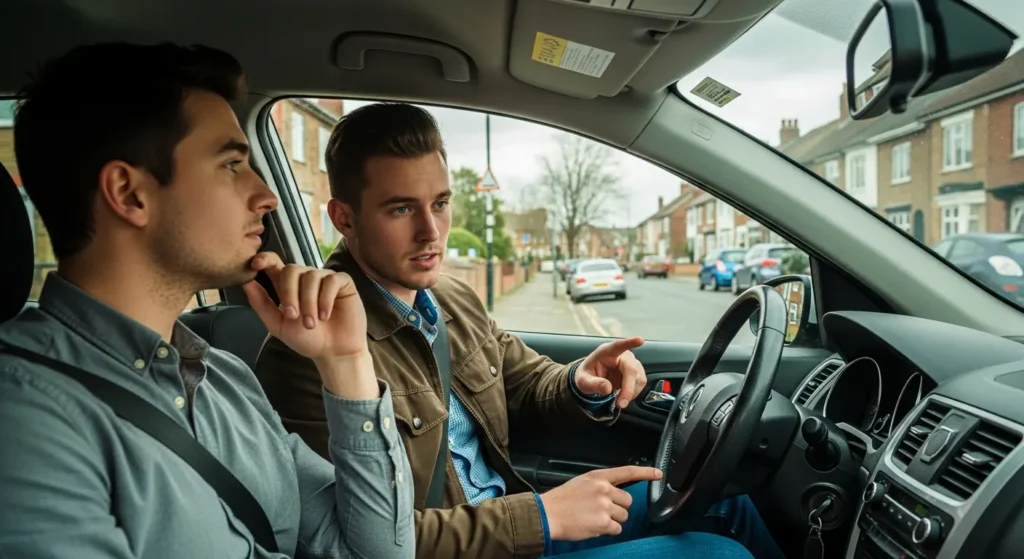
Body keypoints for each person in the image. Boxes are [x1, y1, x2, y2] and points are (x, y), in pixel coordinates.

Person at [255, 102, 786, 559]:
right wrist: (542, 516)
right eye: (401, 209)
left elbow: (527, 381)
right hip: (484, 543)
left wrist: (582, 379)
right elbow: (368, 541)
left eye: (440, 203)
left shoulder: (451, 298)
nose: (431, 231)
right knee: (720, 554)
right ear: (343, 218)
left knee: (721, 496)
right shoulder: (313, 350)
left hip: (515, 524)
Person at [0, 43, 414, 559]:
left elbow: (378, 553)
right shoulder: (23, 418)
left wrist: (345, 361)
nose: (267, 196)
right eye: (232, 165)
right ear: (129, 194)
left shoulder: (225, 379)